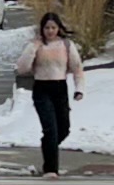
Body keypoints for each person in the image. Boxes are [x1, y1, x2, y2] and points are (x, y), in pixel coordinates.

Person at [18, 10, 83, 174]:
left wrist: (79, 89)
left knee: (63, 128)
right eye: (47, 28)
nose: (50, 31)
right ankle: (51, 168)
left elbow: (77, 68)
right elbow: (22, 68)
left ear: (59, 28)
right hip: (42, 88)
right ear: (42, 29)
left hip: (60, 88)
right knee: (50, 129)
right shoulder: (35, 45)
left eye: (53, 27)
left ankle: (48, 144)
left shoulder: (67, 45)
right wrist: (33, 48)